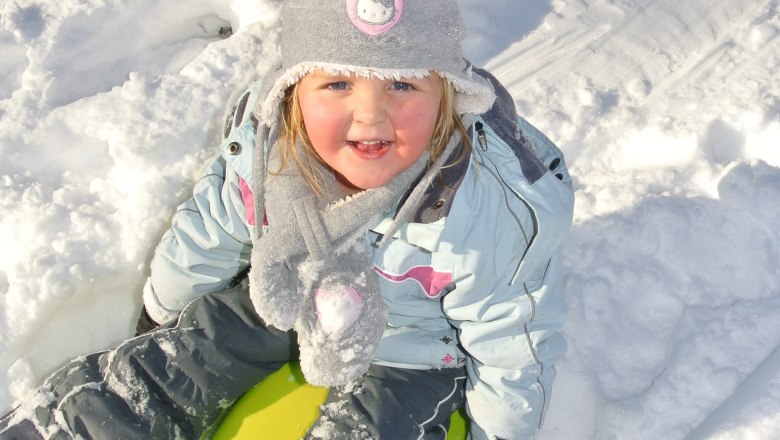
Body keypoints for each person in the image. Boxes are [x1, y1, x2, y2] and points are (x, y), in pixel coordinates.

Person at [0, 0, 574, 438]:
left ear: (447, 94)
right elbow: (208, 229)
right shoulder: (270, 159)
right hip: (283, 299)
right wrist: (162, 317)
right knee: (178, 367)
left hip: (414, 352)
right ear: (296, 91)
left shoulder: (483, 210)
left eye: (403, 83)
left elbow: (512, 338)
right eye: (338, 83)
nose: (370, 114)